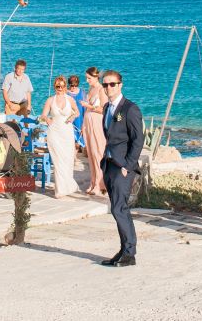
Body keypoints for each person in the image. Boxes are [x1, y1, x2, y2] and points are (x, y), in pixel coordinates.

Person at [99, 69, 142, 267]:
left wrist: (128, 166)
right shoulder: (107, 108)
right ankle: (123, 250)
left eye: (112, 84)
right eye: (105, 84)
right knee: (117, 209)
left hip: (122, 166)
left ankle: (130, 253)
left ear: (120, 85)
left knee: (119, 208)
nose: (108, 88)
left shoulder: (130, 109)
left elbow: (137, 140)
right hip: (109, 164)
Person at [38, 75, 80, 199]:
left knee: (67, 160)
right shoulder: (50, 100)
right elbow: (43, 115)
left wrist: (73, 117)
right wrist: (47, 119)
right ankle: (59, 190)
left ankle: (67, 186)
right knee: (57, 161)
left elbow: (77, 112)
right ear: (54, 87)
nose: (60, 88)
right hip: (54, 133)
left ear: (65, 87)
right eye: (57, 86)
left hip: (67, 133)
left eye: (62, 86)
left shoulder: (70, 99)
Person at [81, 67, 108, 196]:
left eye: (89, 78)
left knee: (98, 153)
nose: (87, 81)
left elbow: (104, 109)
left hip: (97, 123)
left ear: (96, 77)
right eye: (86, 78)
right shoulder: (91, 89)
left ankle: (100, 183)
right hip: (88, 124)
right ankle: (93, 182)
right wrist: (82, 125)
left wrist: (90, 106)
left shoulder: (101, 90)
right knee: (91, 154)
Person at [67, 74, 86, 148]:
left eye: (75, 85)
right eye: (72, 85)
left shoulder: (82, 92)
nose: (74, 87)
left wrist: (85, 121)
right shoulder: (66, 93)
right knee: (71, 137)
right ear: (69, 84)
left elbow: (85, 107)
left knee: (81, 137)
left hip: (80, 117)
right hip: (70, 117)